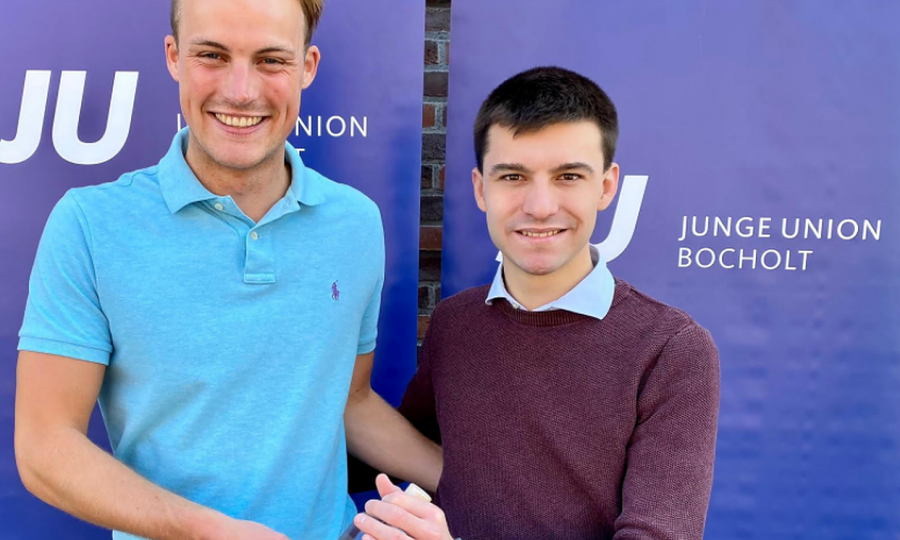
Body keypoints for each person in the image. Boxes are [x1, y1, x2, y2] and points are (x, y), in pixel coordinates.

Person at [13, 1, 441, 539]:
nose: (241, 91)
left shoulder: (356, 223)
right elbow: (45, 445)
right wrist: (205, 531)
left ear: (307, 67)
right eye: (212, 55)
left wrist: (462, 479)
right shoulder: (89, 224)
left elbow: (349, 400)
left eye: (270, 61)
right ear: (174, 57)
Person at [354, 66, 720, 540]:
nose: (541, 205)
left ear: (607, 187)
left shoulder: (672, 350)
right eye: (513, 176)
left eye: (568, 175)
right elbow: (412, 452)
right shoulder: (455, 323)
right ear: (481, 188)